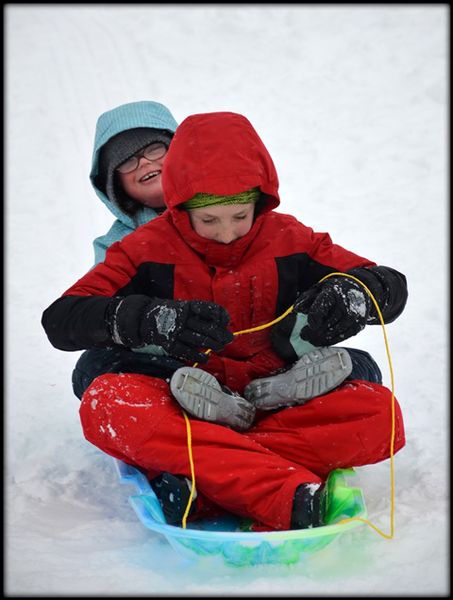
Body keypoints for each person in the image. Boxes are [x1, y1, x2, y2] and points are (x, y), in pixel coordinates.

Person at [42, 111, 407, 532]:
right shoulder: (142, 247)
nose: (227, 233)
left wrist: (358, 292)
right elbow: (61, 319)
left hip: (272, 381)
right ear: (181, 208)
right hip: (183, 389)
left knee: (381, 415)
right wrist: (148, 319)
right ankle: (282, 492)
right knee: (106, 403)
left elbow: (386, 282)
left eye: (239, 216)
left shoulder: (290, 237)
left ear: (260, 201)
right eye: (209, 220)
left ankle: (204, 473)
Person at [72, 100, 185, 401]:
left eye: (154, 149)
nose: (145, 163)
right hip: (170, 355)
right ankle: (188, 395)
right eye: (128, 161)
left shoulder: (223, 208)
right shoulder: (115, 247)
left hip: (239, 338)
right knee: (93, 367)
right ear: (115, 184)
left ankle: (280, 384)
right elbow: (99, 307)